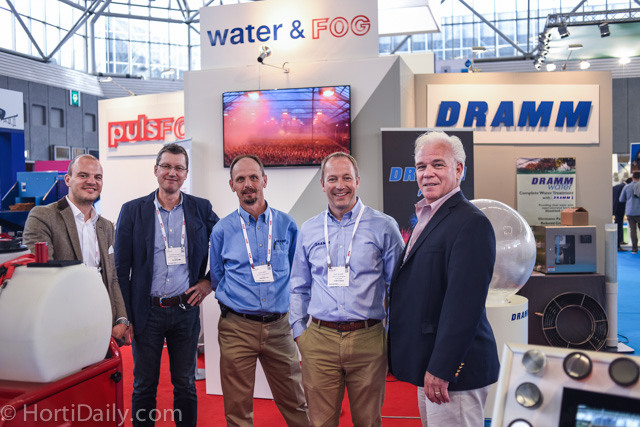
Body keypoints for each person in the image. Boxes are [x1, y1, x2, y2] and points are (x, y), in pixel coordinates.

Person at [387, 131, 499, 426]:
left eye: (438, 164)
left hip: (451, 373)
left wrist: (443, 368)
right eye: (421, 166)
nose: (428, 173)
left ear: (458, 169)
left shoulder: (471, 223)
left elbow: (464, 305)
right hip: (430, 365)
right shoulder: (428, 215)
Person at [289, 152, 404, 426]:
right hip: (319, 340)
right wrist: (299, 332)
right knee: (320, 422)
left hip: (368, 340)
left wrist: (389, 337)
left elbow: (399, 288)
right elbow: (298, 286)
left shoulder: (384, 226)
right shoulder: (309, 229)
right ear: (322, 184)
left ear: (357, 181)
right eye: (332, 179)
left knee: (368, 421)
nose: (340, 185)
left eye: (346, 178)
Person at [115, 143, 219, 426]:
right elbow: (121, 269)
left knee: (185, 384)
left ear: (186, 173)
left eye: (179, 168)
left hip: (185, 311)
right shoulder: (133, 210)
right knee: (144, 385)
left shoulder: (201, 208)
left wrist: (209, 281)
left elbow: (227, 245)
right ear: (156, 170)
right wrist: (125, 316)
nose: (172, 173)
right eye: (167, 166)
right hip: (146, 312)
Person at [210, 154, 309, 426]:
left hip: (280, 328)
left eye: (253, 177)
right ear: (232, 185)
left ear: (264, 180)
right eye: (240, 179)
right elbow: (218, 277)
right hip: (237, 329)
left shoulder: (287, 225)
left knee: (296, 402)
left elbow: (296, 273)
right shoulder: (221, 230)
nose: (248, 184)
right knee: (237, 409)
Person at [23, 154, 129, 344]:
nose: (91, 182)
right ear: (67, 179)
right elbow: (42, 277)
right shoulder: (43, 216)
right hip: (63, 324)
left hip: (103, 320)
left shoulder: (106, 226)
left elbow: (112, 277)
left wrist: (121, 318)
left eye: (97, 177)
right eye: (83, 175)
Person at [619, 171, 640, 254]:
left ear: (632, 178)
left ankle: (634, 249)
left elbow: (621, 199)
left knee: (633, 230)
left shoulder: (626, 187)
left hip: (630, 211)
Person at [613, 178, 631, 251]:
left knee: (619, 225)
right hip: (619, 209)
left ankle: (620, 241)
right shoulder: (623, 187)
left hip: (616, 209)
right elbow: (621, 199)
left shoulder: (617, 186)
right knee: (619, 226)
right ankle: (618, 245)